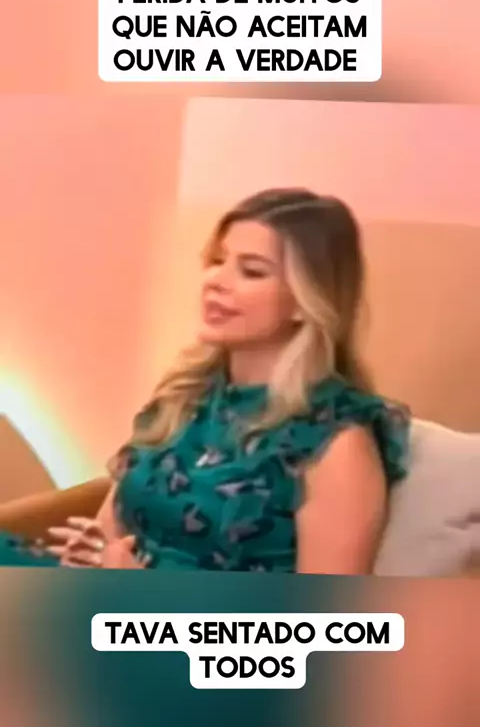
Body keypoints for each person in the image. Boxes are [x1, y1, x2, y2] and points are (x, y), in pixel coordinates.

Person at [0, 189, 410, 572]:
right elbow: (110, 529)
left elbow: (325, 619)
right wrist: (88, 555)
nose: (216, 281)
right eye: (217, 261)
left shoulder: (336, 441)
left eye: (251, 271)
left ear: (306, 301)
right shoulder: (187, 396)